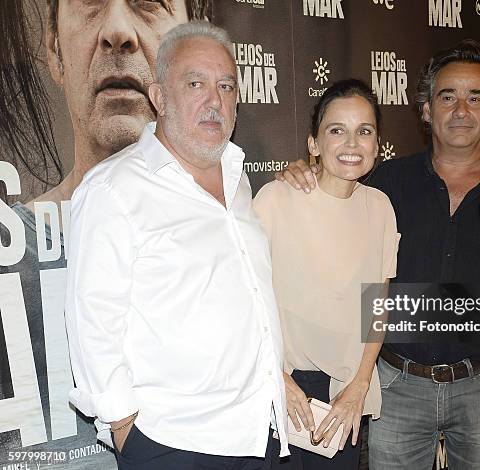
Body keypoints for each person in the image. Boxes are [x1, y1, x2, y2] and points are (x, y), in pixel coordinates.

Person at [277, 40, 480, 470]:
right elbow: (329, 194)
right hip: (399, 386)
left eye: (475, 97)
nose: (461, 109)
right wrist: (306, 171)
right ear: (426, 110)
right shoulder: (383, 184)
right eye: (447, 96)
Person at [64, 22, 288, 469]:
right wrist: (126, 429)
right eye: (195, 83)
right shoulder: (114, 189)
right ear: (159, 97)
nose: (215, 100)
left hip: (256, 436)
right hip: (174, 443)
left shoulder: (237, 177)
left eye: (226, 85)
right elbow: (93, 323)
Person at [1, 3, 207, 468]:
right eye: (91, 3)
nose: (118, 31)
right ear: (54, 48)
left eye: (150, 4)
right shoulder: (10, 248)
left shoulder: (227, 217)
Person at [254, 79, 400, 469]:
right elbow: (243, 298)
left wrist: (360, 386)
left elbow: (379, 306)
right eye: (337, 130)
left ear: (376, 143)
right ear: (314, 144)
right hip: (280, 386)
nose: (352, 144)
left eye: (364, 131)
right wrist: (276, 378)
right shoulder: (276, 199)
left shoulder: (381, 207)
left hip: (343, 395)